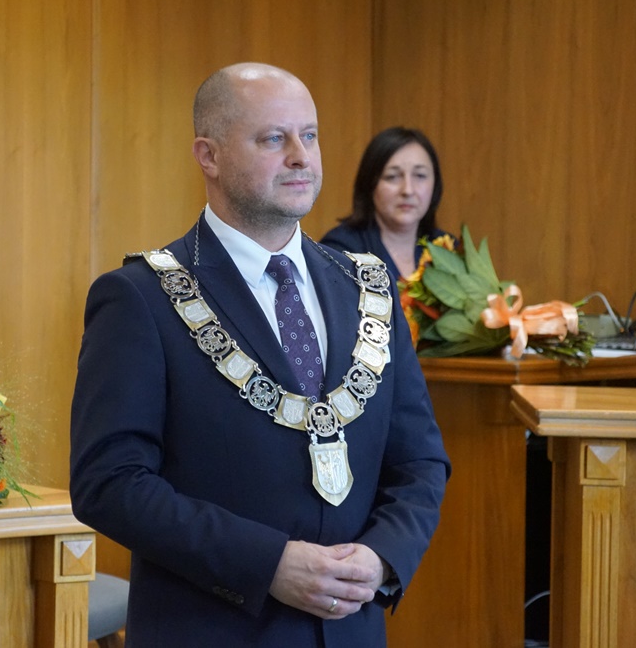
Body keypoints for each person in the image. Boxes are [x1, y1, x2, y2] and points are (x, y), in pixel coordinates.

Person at [69, 62, 450, 648]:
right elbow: (110, 483)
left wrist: (382, 558)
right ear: (209, 156)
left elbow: (420, 460)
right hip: (212, 629)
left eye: (310, 135)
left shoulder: (368, 288)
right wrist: (267, 563)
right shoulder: (141, 296)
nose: (301, 156)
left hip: (351, 629)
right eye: (274, 138)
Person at [320, 127, 450, 280]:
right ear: (370, 184)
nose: (408, 190)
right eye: (392, 177)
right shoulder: (341, 251)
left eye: (420, 175)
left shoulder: (447, 250)